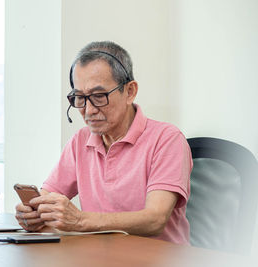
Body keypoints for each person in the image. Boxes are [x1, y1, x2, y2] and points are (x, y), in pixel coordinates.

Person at [15, 41, 192, 244]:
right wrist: (33, 213)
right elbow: (46, 197)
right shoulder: (80, 141)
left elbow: (154, 220)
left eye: (99, 96)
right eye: (79, 98)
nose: (88, 111)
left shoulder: (167, 139)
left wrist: (80, 220)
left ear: (130, 91)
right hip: (99, 257)